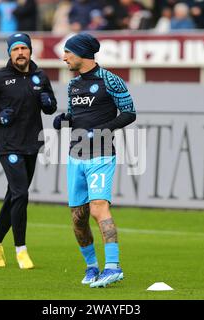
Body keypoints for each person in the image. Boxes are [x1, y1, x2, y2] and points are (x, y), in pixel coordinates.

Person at [53, 33, 136, 288]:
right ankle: (92, 268)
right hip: (75, 156)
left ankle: (113, 266)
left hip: (100, 154)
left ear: (82, 54)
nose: (64, 57)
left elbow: (129, 113)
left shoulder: (110, 79)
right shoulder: (73, 85)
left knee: (99, 207)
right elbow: (76, 116)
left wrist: (104, 129)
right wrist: (63, 121)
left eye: (68, 52)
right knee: (78, 217)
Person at [0, 33, 57, 269]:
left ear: (30, 51)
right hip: (7, 143)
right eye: (15, 49)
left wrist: (48, 102)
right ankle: (21, 250)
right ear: (9, 53)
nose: (20, 53)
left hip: (31, 141)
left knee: (15, 194)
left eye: (24, 48)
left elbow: (50, 106)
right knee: (21, 193)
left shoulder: (40, 76)